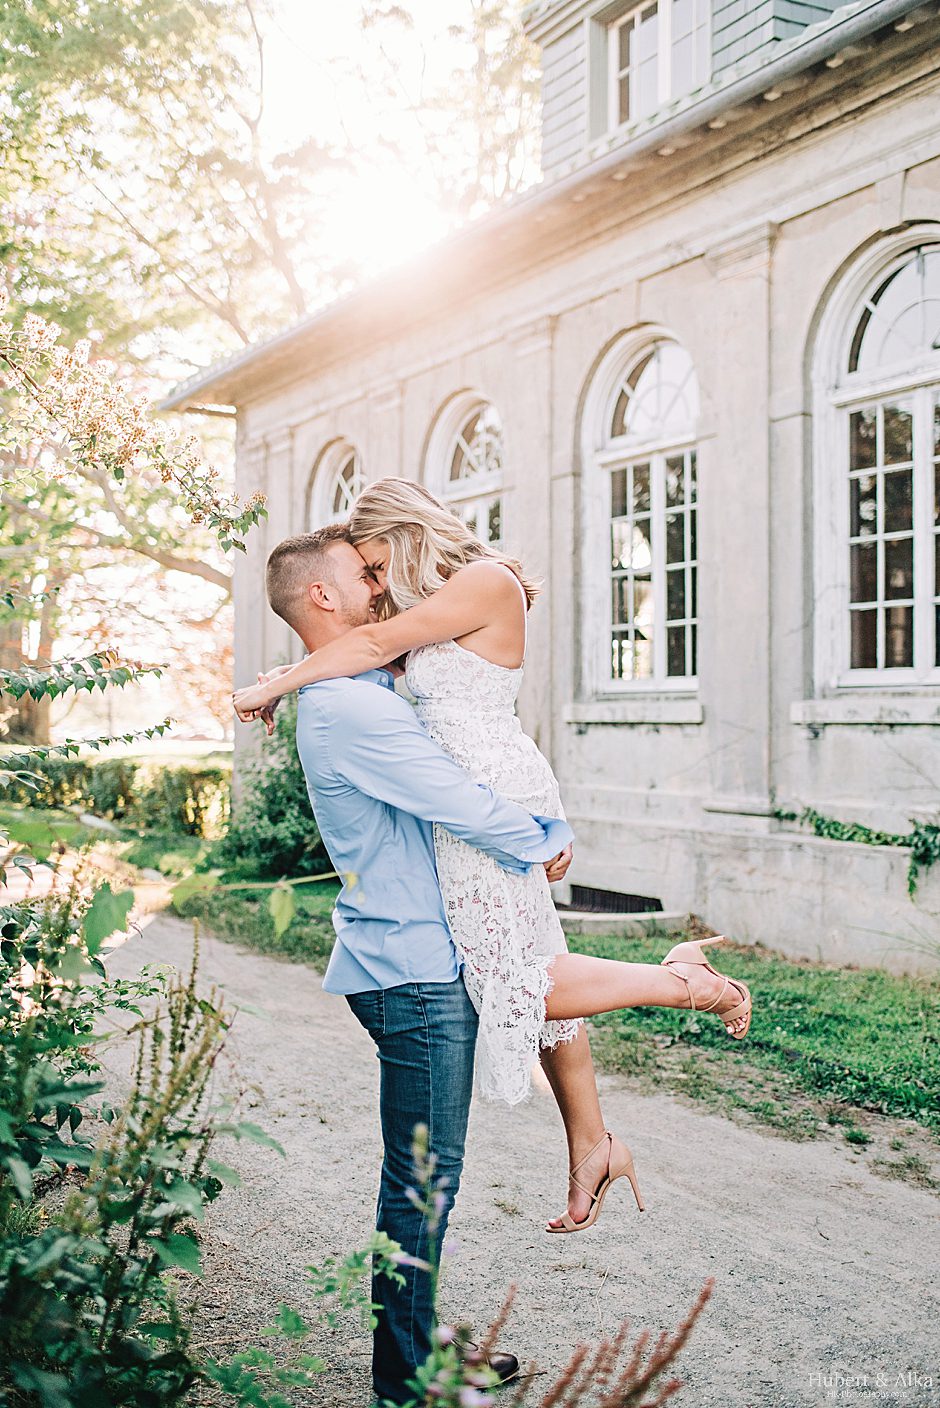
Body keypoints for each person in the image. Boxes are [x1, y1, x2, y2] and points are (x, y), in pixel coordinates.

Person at [234, 481, 752, 1236]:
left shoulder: (483, 582)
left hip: (490, 794)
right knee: (532, 959)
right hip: (477, 796)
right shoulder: (439, 607)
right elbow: (367, 660)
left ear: (405, 533)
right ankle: (592, 1144)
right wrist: (289, 680)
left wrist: (280, 680)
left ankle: (682, 983)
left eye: (375, 565)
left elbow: (372, 647)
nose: (376, 585)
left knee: (518, 978)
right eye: (367, 575)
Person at [259, 524, 574, 1406]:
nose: (378, 586)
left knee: (425, 1176)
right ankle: (407, 1379)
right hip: (414, 977)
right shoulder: (349, 708)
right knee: (422, 1181)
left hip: (408, 962)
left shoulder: (357, 688)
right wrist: (544, 835)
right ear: (324, 597)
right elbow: (451, 798)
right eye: (363, 575)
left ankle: (417, 1345)